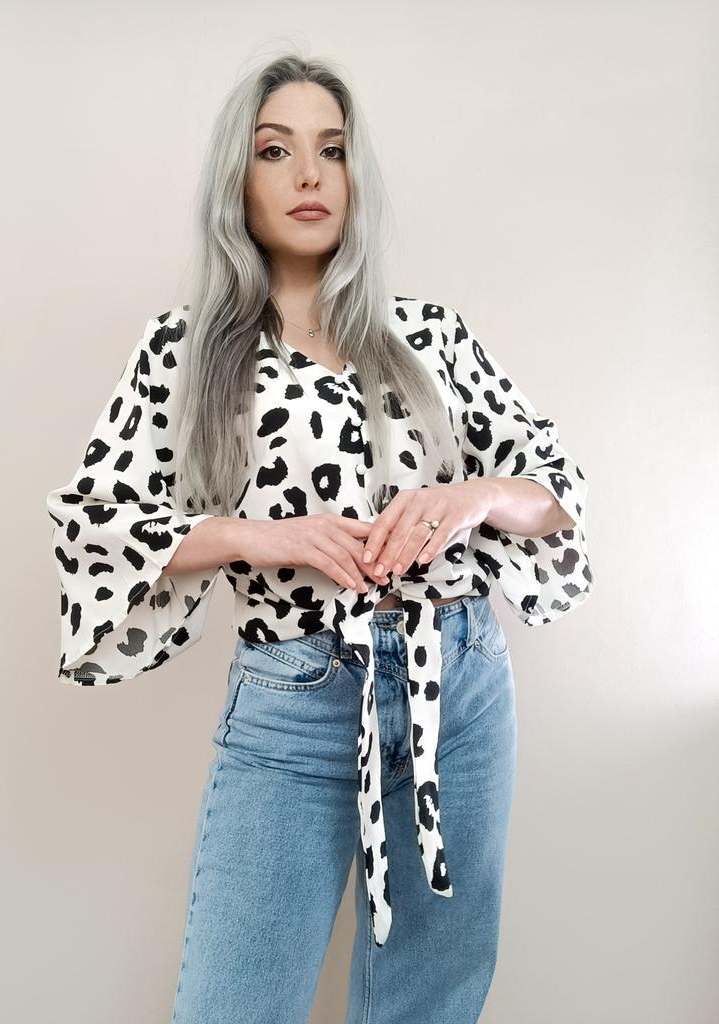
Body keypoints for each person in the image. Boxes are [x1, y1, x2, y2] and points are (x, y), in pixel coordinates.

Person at [45, 50, 594, 1024]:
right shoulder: (186, 349)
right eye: (275, 150)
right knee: (233, 1003)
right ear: (238, 179)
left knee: (429, 999)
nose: (308, 174)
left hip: (457, 681)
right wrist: (262, 538)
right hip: (294, 694)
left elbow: (554, 492)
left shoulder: (428, 334)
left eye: (331, 150)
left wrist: (471, 499)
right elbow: (97, 524)